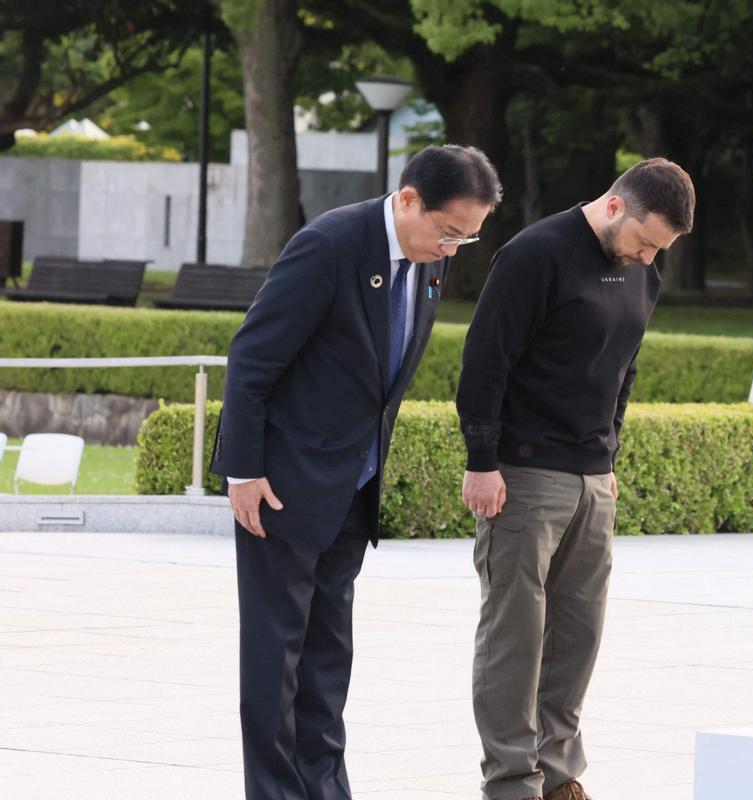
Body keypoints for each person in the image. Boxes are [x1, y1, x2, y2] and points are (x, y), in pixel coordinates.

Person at [211, 144, 502, 800]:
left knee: (327, 656)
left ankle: (325, 787)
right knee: (275, 655)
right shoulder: (330, 246)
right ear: (407, 201)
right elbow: (252, 358)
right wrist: (243, 471)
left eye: (469, 237)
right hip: (281, 485)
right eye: (448, 231)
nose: (454, 249)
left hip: (353, 485)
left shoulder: (428, 263)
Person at [457, 157, 696, 800]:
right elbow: (484, 361)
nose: (648, 260)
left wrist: (609, 459)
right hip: (524, 473)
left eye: (660, 251)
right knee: (515, 634)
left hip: (592, 476)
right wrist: (482, 461)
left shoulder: (644, 274)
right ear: (615, 206)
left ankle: (559, 775)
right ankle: (512, 782)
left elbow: (626, 368)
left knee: (578, 635)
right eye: (645, 243)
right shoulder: (536, 254)